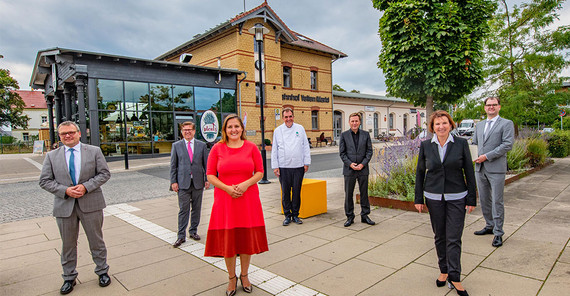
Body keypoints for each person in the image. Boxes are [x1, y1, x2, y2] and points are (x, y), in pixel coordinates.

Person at [39, 121, 112, 295]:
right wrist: (65, 190)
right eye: (63, 134)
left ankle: (102, 271)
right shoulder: (52, 156)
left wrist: (86, 186)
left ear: (79, 133)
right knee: (68, 244)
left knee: (96, 240)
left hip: (91, 203)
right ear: (59, 136)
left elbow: (104, 173)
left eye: (71, 132)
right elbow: (44, 181)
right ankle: (69, 277)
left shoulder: (94, 151)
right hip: (64, 206)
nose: (67, 136)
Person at [205, 114, 268, 296]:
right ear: (224, 130)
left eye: (236, 127)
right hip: (226, 201)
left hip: (248, 199)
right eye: (229, 127)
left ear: (242, 128)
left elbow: (260, 171)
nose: (233, 130)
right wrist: (227, 188)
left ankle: (245, 275)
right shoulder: (217, 148)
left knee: (246, 240)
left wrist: (245, 184)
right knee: (229, 241)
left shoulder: (251, 147)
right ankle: (232, 278)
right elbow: (210, 175)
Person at [415, 110, 476, 296]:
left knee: (454, 237)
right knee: (440, 236)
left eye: (444, 123)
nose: (441, 127)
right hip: (433, 198)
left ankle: (455, 277)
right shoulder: (426, 146)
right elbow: (419, 173)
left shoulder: (461, 144)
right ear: (432, 128)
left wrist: (472, 198)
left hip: (457, 197)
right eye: (437, 124)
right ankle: (443, 270)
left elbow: (469, 171)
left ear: (451, 124)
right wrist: (418, 198)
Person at [472, 97, 514, 247]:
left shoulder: (506, 124)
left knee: (497, 201)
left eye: (494, 105)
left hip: (496, 168)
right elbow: (475, 143)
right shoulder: (480, 125)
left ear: (499, 107)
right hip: (480, 168)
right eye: (488, 105)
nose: (491, 107)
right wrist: (472, 154)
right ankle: (489, 225)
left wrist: (486, 156)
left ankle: (498, 232)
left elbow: (507, 145)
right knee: (484, 199)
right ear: (484, 108)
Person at [170, 121, 210, 247]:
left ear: (194, 131)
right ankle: (181, 236)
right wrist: (173, 181)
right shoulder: (176, 146)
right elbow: (173, 165)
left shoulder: (201, 145)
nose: (187, 132)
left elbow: (206, 164)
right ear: (182, 132)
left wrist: (207, 179)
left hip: (198, 182)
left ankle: (193, 231)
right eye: (184, 130)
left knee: (196, 209)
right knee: (183, 210)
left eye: (189, 130)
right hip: (182, 183)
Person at [271, 107, 311, 226]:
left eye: (290, 116)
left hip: (298, 166)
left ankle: (296, 215)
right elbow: (274, 150)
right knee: (285, 193)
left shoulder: (300, 128)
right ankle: (287, 215)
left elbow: (305, 146)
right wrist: (275, 166)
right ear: (283, 118)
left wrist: (306, 162)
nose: (288, 119)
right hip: (283, 166)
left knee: (297, 192)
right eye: (286, 117)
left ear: (293, 116)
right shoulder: (278, 130)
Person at [339, 113, 375, 227]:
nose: (354, 123)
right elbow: (342, 153)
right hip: (349, 169)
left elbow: (369, 151)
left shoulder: (365, 135)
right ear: (349, 122)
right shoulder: (344, 135)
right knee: (348, 194)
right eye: (352, 121)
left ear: (360, 122)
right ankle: (350, 217)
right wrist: (350, 164)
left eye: (356, 121)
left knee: (364, 193)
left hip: (363, 169)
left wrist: (363, 164)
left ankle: (365, 215)